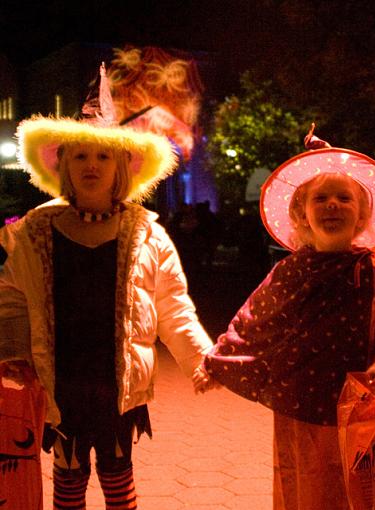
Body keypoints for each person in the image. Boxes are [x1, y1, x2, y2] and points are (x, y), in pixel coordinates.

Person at [0, 100, 213, 508]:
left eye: (103, 156)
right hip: (60, 380)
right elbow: (11, 297)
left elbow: (173, 305)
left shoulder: (147, 233)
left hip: (117, 383)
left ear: (122, 168)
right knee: (68, 475)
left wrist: (198, 358)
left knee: (118, 473)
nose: (91, 165)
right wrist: (11, 350)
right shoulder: (33, 232)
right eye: (80, 155)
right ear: (63, 164)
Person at [193, 125, 375, 509]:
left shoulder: (373, 269)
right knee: (301, 489)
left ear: (361, 214)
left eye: (344, 198)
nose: (332, 205)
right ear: (302, 213)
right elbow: (253, 321)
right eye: (321, 198)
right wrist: (216, 363)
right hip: (299, 404)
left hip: (355, 404)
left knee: (355, 490)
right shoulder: (289, 271)